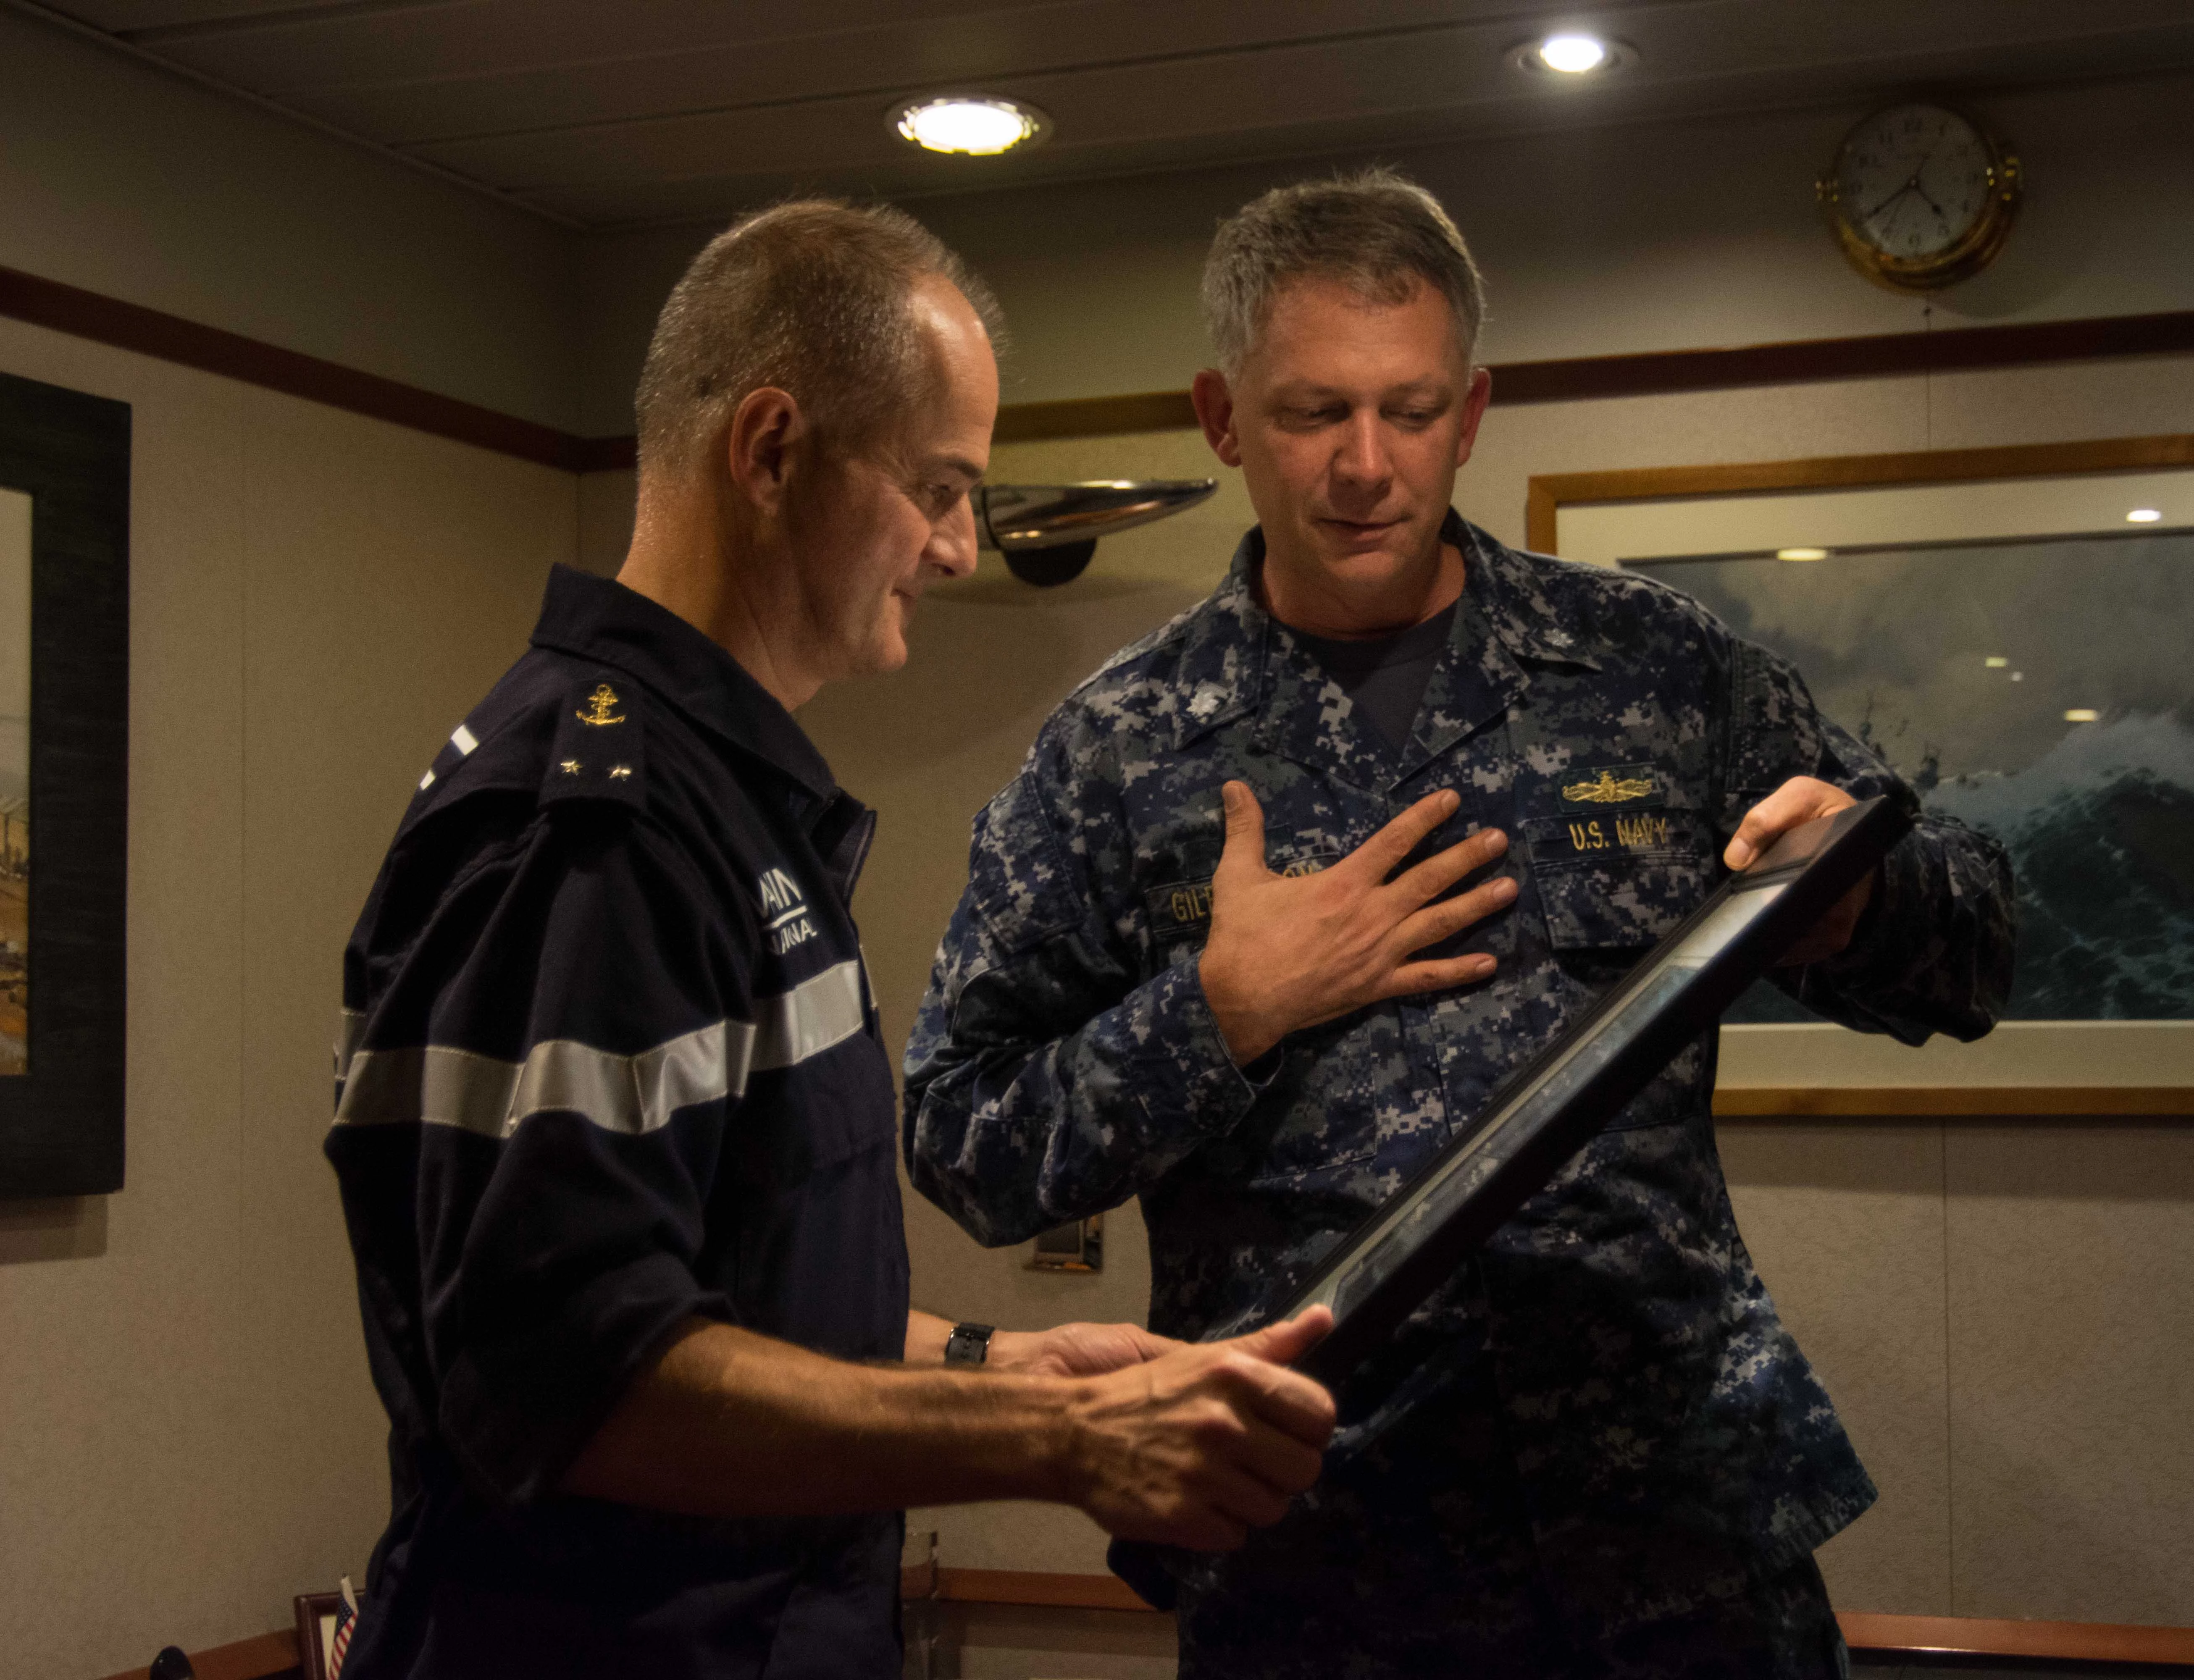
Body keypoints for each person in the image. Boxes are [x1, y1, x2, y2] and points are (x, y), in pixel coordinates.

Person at [904, 171, 2014, 1678]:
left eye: (1410, 411)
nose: (1367, 465)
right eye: (1310, 415)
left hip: (1674, 1536)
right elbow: (962, 1136)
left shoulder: (1649, 666)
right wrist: (1219, 1014)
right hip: (1320, 1556)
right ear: (1223, 419)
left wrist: (1854, 898)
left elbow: (1977, 949)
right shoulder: (1121, 750)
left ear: (1474, 410)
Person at [324, 199, 1336, 1680]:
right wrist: (1052, 1438)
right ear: (772, 447)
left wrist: (1003, 1361)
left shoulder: (725, 802)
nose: (959, 545)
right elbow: (571, 1374)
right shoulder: (601, 824)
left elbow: (734, 1292)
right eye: (937, 486)